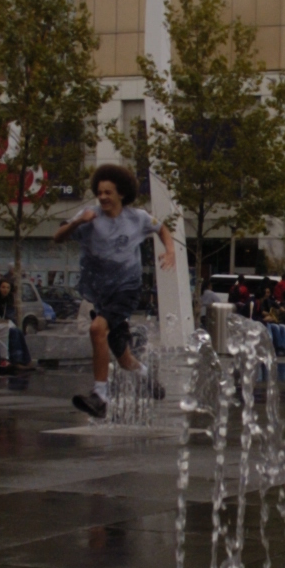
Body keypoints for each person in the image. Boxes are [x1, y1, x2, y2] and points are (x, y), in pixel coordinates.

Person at [52, 162, 177, 422]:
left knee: (97, 329)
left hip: (126, 288)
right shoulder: (89, 216)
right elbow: (58, 237)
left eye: (108, 192)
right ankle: (147, 378)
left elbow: (161, 228)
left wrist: (170, 251)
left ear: (121, 193)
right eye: (99, 192)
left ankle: (100, 397)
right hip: (101, 292)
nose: (103, 197)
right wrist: (78, 222)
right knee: (122, 355)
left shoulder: (137, 218)